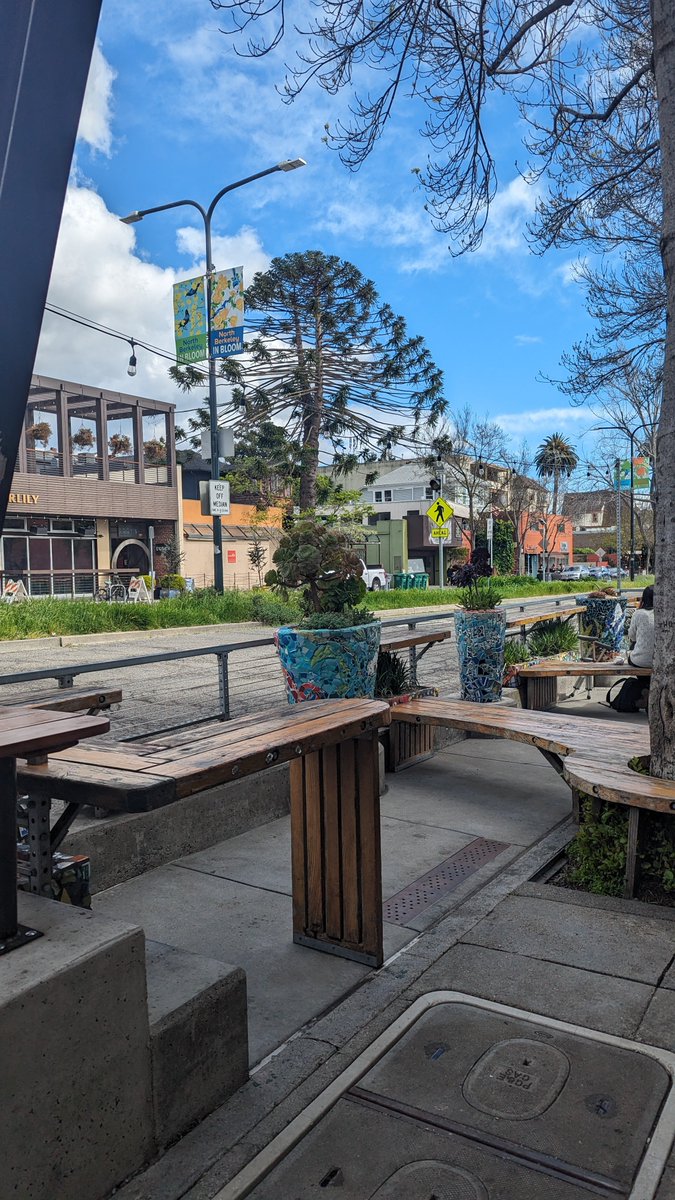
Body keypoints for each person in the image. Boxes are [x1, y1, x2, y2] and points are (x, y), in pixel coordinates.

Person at [628, 585, 654, 668]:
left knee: (633, 645)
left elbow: (632, 637)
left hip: (640, 662)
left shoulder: (639, 613)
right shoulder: (669, 614)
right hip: (663, 662)